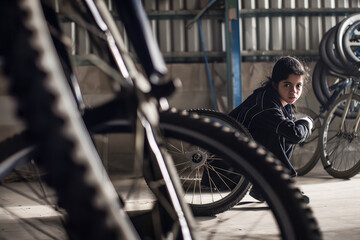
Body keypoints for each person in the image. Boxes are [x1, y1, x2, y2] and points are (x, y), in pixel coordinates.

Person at [229, 56, 313, 204]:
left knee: (285, 129)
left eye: (298, 85)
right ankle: (284, 187)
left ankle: (263, 189)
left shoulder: (279, 101)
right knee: (281, 131)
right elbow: (295, 135)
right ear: (275, 84)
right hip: (229, 165)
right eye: (287, 85)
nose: (294, 91)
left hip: (244, 158)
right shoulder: (268, 105)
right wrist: (307, 122)